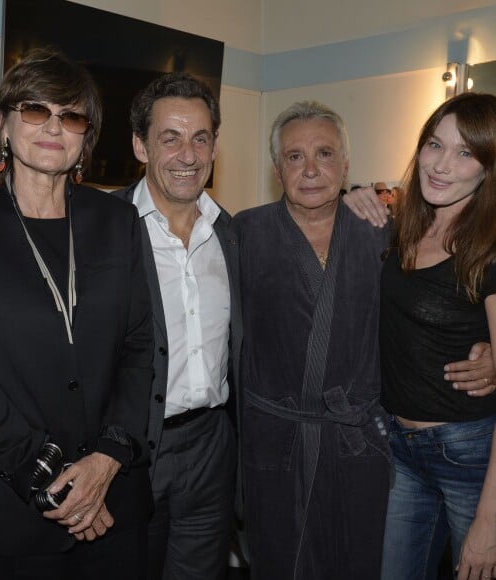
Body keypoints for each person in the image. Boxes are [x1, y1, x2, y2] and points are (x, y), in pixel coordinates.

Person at [233, 100, 496, 579]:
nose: (311, 169)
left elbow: (444, 312)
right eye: (294, 156)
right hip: (279, 445)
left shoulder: (384, 232)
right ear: (277, 168)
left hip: (369, 446)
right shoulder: (243, 235)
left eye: (325, 154)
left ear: (347, 164)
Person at [0, 48, 154, 580]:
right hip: (15, 512)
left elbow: (140, 345)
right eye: (35, 110)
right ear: (3, 125)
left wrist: (106, 459)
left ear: (84, 140)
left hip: (116, 503)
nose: (53, 126)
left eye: (71, 115)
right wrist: (52, 477)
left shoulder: (118, 221)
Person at [344, 92, 496, 580]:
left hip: (470, 456)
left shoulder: (490, 249)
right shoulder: (404, 225)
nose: (442, 165)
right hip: (401, 450)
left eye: (465, 152)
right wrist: (348, 198)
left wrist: (490, 523)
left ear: (488, 168)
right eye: (435, 144)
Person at [112, 73, 242, 580]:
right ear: (140, 146)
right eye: (170, 138)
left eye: (201, 138)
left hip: (212, 448)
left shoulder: (232, 233)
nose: (188, 155)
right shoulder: (105, 228)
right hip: (131, 450)